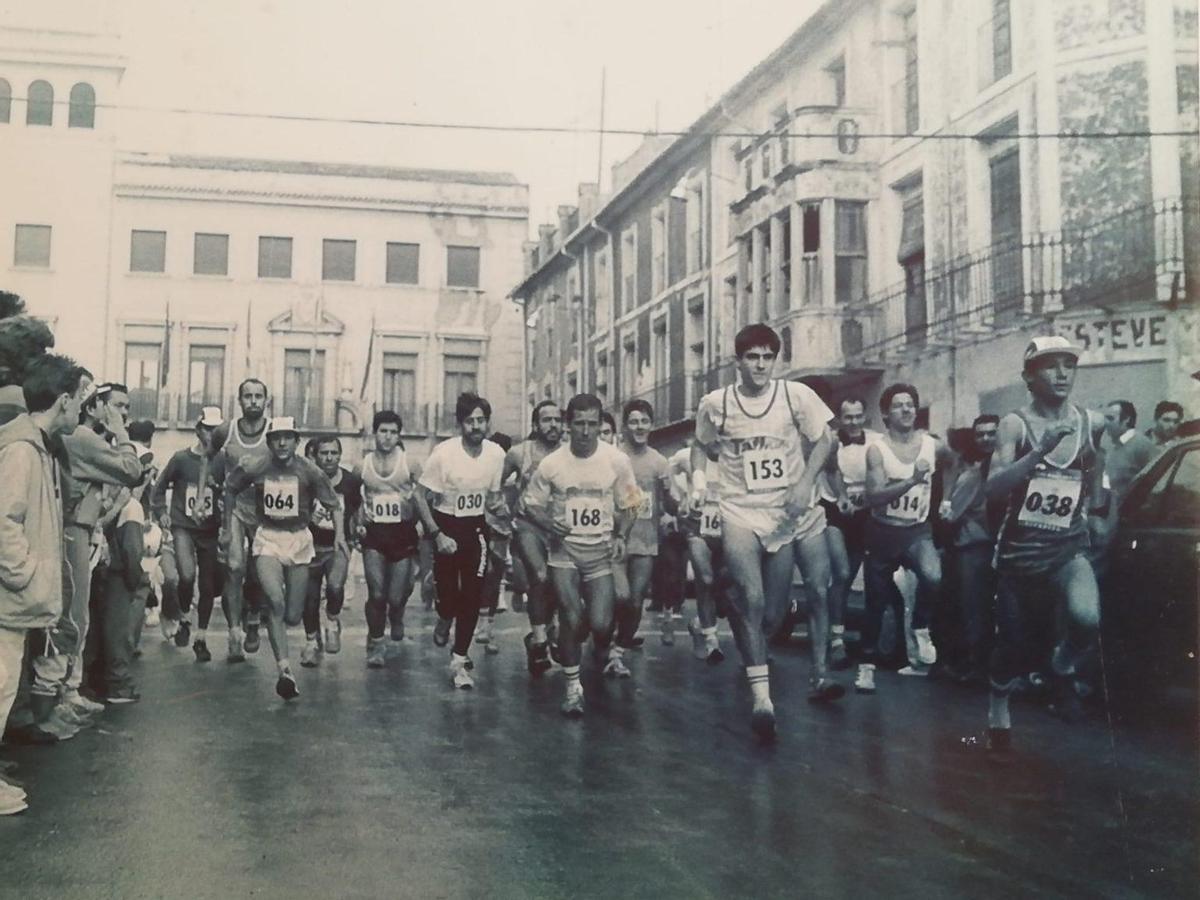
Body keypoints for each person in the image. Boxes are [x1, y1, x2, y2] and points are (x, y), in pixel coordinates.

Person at [692, 324, 841, 741]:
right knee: (752, 600)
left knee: (772, 616)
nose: (759, 365)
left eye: (767, 357)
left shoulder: (795, 396)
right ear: (737, 361)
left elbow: (824, 440)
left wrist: (803, 484)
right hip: (740, 511)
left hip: (785, 514)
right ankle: (763, 700)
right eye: (752, 357)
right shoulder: (716, 403)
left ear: (776, 361)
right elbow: (701, 444)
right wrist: (700, 484)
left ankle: (728, 592)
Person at [984, 336, 1108, 762]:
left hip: (1067, 549)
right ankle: (998, 707)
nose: (1061, 374)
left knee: (1087, 616)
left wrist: (1096, 509)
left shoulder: (1091, 421)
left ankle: (1063, 664)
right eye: (1050, 366)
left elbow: (1095, 464)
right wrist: (1040, 450)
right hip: (1019, 555)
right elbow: (994, 487)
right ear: (1029, 377)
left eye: (1068, 366)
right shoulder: (1015, 425)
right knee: (1014, 649)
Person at [0, 354, 86, 813]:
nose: (81, 412)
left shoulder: (36, 447)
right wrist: (26, 575)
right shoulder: (22, 451)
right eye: (79, 401)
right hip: (8, 598)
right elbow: (3, 524)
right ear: (64, 400)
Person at [523, 393, 641, 717]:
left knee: (602, 624)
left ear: (600, 424)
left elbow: (633, 503)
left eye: (592, 424)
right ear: (567, 425)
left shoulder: (616, 460)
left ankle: (588, 645)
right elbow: (529, 503)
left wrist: (622, 534)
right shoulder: (552, 464)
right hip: (564, 553)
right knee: (571, 617)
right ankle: (573, 689)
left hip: (600, 552)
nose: (586, 431)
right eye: (579, 424)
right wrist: (549, 525)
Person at [223, 416, 341, 700]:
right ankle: (284, 670)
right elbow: (230, 488)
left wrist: (341, 538)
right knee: (275, 601)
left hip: (299, 540)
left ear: (297, 441)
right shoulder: (256, 465)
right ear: (269, 442)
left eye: (288, 437)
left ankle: (281, 626)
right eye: (277, 438)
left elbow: (333, 503)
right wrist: (228, 527)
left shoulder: (309, 470)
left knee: (292, 615)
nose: (282, 443)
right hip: (268, 538)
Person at [858, 383, 955, 693]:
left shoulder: (932, 445)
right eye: (899, 405)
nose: (906, 410)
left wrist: (947, 498)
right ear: (886, 414)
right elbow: (874, 497)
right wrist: (912, 479)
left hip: (916, 529)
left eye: (911, 404)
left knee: (934, 576)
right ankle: (866, 668)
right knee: (876, 603)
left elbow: (953, 462)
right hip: (883, 532)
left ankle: (921, 626)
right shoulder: (877, 449)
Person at [57, 383, 144, 713]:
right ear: (94, 407)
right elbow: (132, 471)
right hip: (74, 531)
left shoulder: (84, 437)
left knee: (81, 615)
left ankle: (71, 689)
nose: (124, 413)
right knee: (74, 616)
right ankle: (65, 692)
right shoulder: (83, 437)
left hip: (86, 531)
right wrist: (122, 433)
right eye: (117, 406)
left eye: (126, 407)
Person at [415, 393, 506, 690]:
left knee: (473, 593)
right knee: (449, 597)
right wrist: (436, 534)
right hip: (446, 524)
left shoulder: (496, 454)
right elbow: (419, 496)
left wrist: (501, 507)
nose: (476, 426)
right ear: (460, 424)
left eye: (481, 420)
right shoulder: (444, 453)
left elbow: (492, 498)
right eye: (470, 421)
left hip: (476, 528)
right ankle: (443, 617)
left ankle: (459, 660)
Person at [199, 378, 271, 662]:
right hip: (235, 507)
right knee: (234, 567)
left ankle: (253, 616)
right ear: (239, 400)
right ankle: (234, 633)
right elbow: (206, 457)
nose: (253, 401)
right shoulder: (225, 431)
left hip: (267, 510)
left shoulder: (274, 431)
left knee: (259, 573)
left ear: (267, 400)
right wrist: (205, 492)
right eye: (248, 396)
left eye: (258, 396)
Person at [608, 400, 676, 675]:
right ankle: (604, 638)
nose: (639, 427)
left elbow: (669, 506)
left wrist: (672, 494)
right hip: (616, 539)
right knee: (618, 597)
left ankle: (618, 651)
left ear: (651, 424)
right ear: (625, 425)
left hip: (646, 540)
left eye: (644, 421)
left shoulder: (659, 462)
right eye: (634, 421)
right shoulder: (612, 457)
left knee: (636, 601)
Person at [151, 407, 223, 662]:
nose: (212, 434)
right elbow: (157, 490)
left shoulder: (223, 461)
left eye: (217, 430)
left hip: (211, 530)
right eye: (208, 428)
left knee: (207, 585)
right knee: (187, 575)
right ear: (198, 429)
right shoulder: (181, 459)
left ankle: (201, 637)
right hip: (183, 525)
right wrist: (161, 514)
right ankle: (183, 616)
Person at [939, 415, 1001, 684]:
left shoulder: (1005, 469)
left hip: (1001, 547)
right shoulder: (973, 476)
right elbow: (950, 516)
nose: (986, 439)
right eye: (981, 435)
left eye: (992, 433)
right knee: (974, 608)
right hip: (975, 548)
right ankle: (976, 665)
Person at [501, 401, 562, 677]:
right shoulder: (518, 453)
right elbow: (496, 486)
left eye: (557, 420)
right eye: (546, 420)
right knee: (539, 577)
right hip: (528, 527)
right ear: (535, 425)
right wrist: (504, 512)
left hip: (560, 528)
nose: (553, 425)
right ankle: (539, 641)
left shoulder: (570, 453)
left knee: (558, 587)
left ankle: (546, 631)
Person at [355, 411, 420, 668]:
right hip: (375, 536)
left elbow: (425, 498)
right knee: (377, 592)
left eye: (393, 432)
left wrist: (414, 514)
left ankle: (398, 614)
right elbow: (352, 501)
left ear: (399, 435)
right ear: (375, 433)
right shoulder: (363, 465)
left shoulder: (410, 464)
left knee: (395, 597)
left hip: (402, 534)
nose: (388, 437)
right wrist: (356, 522)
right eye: (383, 431)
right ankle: (376, 642)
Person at [820, 397, 881, 670]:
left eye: (858, 416)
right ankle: (835, 642)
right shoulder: (830, 441)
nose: (854, 422)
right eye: (848, 417)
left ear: (864, 416)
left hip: (864, 515)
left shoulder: (877, 441)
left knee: (852, 575)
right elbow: (830, 471)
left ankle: (840, 633)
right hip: (834, 510)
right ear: (839, 419)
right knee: (841, 572)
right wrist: (842, 497)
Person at [301, 436, 360, 667]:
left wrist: (360, 528)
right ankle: (312, 642)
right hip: (310, 547)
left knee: (335, 587)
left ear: (340, 455)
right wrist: (308, 518)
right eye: (324, 453)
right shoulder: (307, 480)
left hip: (338, 545)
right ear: (316, 456)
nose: (329, 458)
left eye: (333, 453)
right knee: (310, 599)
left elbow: (357, 510)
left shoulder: (351, 481)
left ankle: (333, 619)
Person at [672, 444, 726, 664]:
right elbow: (670, 471)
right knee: (705, 578)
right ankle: (711, 640)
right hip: (697, 529)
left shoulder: (735, 454)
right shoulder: (685, 456)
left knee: (726, 589)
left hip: (728, 529)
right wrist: (680, 497)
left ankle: (699, 623)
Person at [476, 431, 514, 655]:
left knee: (493, 572)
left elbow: (509, 498)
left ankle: (487, 624)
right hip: (478, 524)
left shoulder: (508, 474)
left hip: (499, 527)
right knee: (481, 573)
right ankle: (479, 621)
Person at [1103, 400, 1158, 504]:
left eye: (1110, 418)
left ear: (1126, 420)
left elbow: (1157, 483)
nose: (1106, 423)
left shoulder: (1142, 445)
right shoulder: (1115, 445)